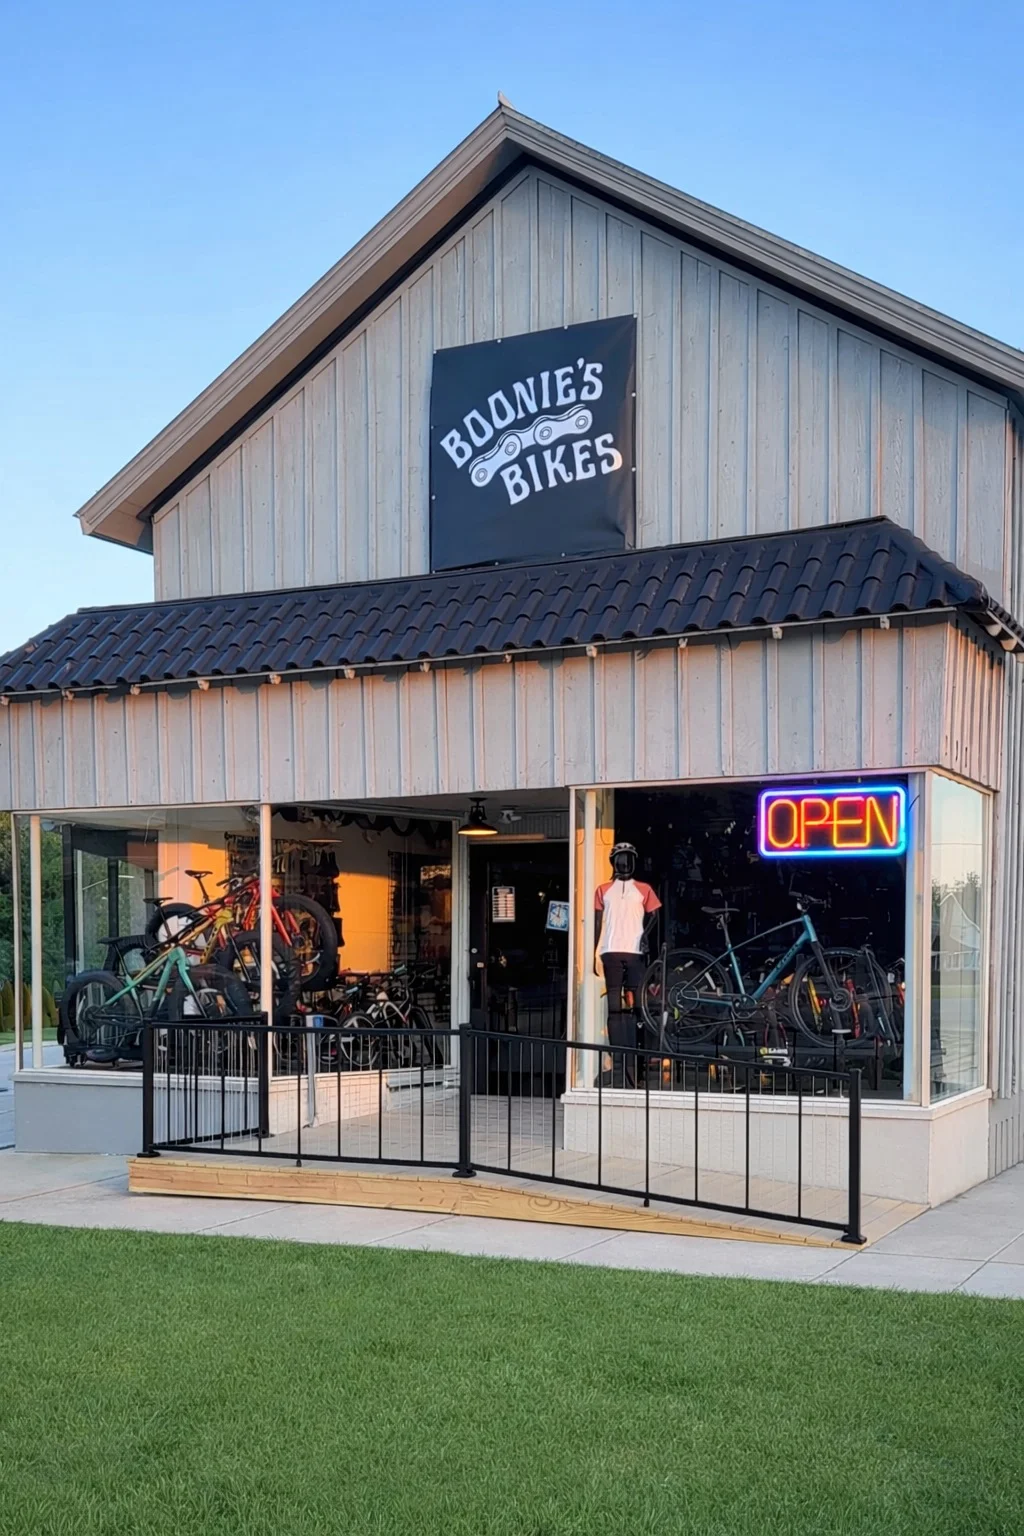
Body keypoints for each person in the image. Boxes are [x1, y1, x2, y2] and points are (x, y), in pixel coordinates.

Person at [594, 842, 661, 1086]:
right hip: (610, 951)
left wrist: (645, 938)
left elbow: (655, 917)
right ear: (613, 862)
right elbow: (597, 923)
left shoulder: (644, 889)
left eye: (628, 858)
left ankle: (636, 1065)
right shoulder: (603, 890)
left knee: (637, 1009)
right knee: (613, 1008)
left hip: (634, 953)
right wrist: (594, 951)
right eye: (621, 858)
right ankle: (618, 1059)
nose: (624, 863)